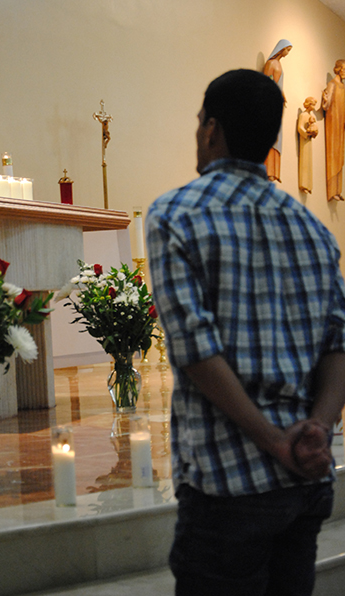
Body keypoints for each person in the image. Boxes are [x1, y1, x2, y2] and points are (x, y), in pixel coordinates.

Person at [145, 69, 345, 596]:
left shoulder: (176, 215)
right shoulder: (314, 231)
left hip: (228, 486)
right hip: (306, 481)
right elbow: (338, 345)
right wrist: (318, 431)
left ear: (212, 129)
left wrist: (274, 442)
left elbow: (196, 350)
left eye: (198, 123)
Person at [263, 39, 292, 182]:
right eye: (288, 50)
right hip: (270, 102)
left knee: (278, 136)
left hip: (277, 103)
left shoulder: (279, 65)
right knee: (271, 135)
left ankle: (275, 171)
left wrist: (282, 94)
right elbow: (268, 82)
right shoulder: (271, 64)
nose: (287, 53)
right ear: (282, 49)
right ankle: (268, 168)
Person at [322, 59, 345, 201]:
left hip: (341, 125)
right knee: (333, 156)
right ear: (338, 69)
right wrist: (325, 99)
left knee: (340, 157)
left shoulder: (342, 86)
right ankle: (332, 191)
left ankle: (338, 190)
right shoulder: (332, 85)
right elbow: (326, 105)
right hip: (333, 124)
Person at [297, 96, 318, 194]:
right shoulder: (303, 115)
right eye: (312, 104)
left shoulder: (311, 116)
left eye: (314, 105)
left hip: (308, 140)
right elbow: (300, 127)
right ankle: (304, 184)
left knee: (309, 161)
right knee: (305, 160)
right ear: (308, 104)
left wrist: (314, 132)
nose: (313, 107)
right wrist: (306, 133)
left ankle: (309, 185)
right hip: (304, 140)